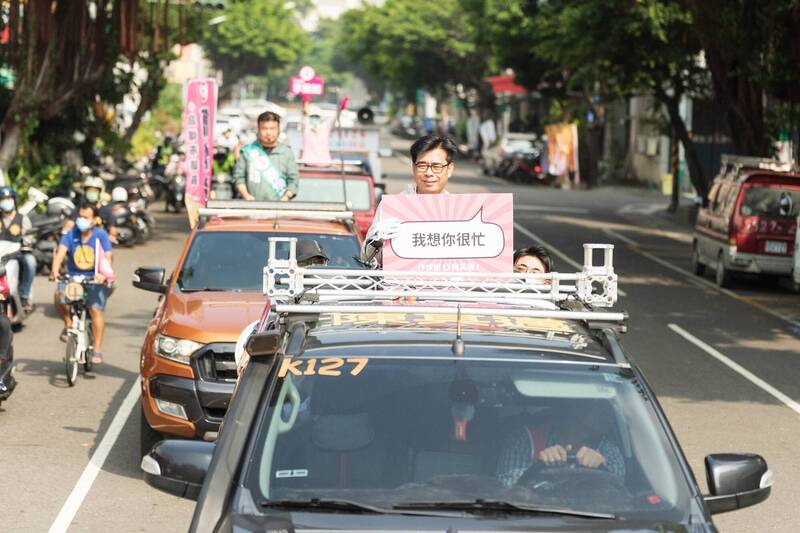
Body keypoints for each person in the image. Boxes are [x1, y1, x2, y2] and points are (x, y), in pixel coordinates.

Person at [361, 135, 457, 266]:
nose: (429, 173)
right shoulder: (392, 208)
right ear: (413, 167)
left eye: (436, 166)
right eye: (422, 165)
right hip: (401, 286)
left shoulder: (458, 210)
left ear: (449, 169)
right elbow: (366, 260)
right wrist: (374, 241)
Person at [495, 400, 625, 487]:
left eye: (612, 406)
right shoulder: (525, 440)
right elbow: (508, 492)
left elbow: (619, 500)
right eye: (602, 405)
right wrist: (539, 468)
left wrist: (603, 473)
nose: (611, 413)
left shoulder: (609, 452)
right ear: (577, 406)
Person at [50, 202, 113, 364]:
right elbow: (60, 254)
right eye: (80, 216)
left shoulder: (101, 235)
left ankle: (97, 350)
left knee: (94, 310)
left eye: (85, 217)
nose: (81, 220)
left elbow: (108, 257)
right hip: (74, 278)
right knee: (59, 296)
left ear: (94, 220)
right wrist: (55, 271)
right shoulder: (71, 234)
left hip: (95, 279)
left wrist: (102, 275)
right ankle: (69, 324)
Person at [233, 111, 299, 202]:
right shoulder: (248, 151)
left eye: (272, 128)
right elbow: (238, 178)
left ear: (278, 129)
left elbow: (293, 180)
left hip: (280, 210)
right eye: (264, 128)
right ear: (258, 129)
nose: (268, 132)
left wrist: (286, 197)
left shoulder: (286, 152)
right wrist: (246, 196)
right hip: (252, 209)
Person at [0, 186, 36, 311]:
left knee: (30, 262)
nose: (6, 201)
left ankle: (24, 295)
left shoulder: (22, 218)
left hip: (17, 252)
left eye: (9, 198)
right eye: (3, 199)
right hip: (1, 253)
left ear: (14, 200)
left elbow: (30, 236)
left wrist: (27, 242)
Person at [62, 176, 117, 243]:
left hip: (99, 244)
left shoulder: (106, 210)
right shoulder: (80, 208)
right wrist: (65, 233)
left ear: (99, 192)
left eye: (94, 191)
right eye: (89, 190)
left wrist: (111, 236)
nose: (91, 193)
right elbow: (70, 223)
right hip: (80, 243)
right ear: (85, 191)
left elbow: (112, 229)